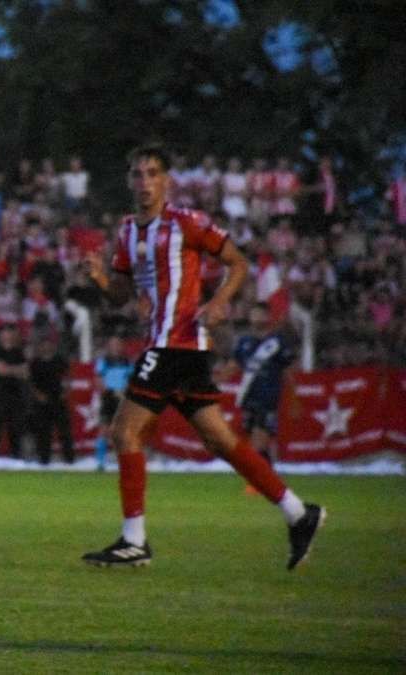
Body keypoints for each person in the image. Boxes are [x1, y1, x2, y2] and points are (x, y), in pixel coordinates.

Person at [80, 143, 324, 570]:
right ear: (129, 181)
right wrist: (101, 278)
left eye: (153, 173)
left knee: (124, 433)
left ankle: (134, 541)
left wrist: (221, 301)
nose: (144, 182)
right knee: (220, 440)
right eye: (137, 174)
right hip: (176, 348)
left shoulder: (185, 223)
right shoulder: (127, 232)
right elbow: (122, 294)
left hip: (176, 343)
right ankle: (299, 513)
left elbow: (238, 262)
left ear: (167, 180)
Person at [232, 302, 296, 489]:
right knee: (254, 439)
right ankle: (269, 481)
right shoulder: (244, 342)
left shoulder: (277, 343)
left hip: (267, 398)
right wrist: (216, 378)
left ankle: (257, 483)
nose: (256, 318)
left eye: (260, 314)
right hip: (248, 397)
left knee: (259, 441)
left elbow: (289, 371)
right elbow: (234, 365)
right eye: (254, 314)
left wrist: (294, 398)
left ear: (268, 317)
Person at [28, 334, 74, 464]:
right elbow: (30, 382)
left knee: (64, 431)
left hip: (58, 398)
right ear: (40, 347)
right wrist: (38, 395)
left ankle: (69, 459)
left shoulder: (60, 360)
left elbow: (68, 376)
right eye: (44, 345)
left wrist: (66, 391)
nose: (47, 347)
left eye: (49, 344)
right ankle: (44, 460)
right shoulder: (35, 363)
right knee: (43, 431)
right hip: (42, 401)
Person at [0, 324, 29, 458]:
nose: (8, 336)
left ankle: (16, 459)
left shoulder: (19, 352)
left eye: (11, 333)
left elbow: (26, 373)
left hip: (16, 396)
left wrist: (9, 369)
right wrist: (16, 370)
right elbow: (1, 371)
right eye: (6, 333)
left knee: (15, 430)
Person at [93, 336, 132, 471]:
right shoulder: (103, 362)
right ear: (108, 346)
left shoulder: (127, 362)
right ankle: (100, 462)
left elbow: (130, 380)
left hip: (122, 400)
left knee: (123, 432)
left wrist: (124, 392)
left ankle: (123, 461)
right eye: (112, 344)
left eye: (117, 344)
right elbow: (99, 381)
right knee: (104, 430)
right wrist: (111, 392)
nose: (115, 347)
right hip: (109, 399)